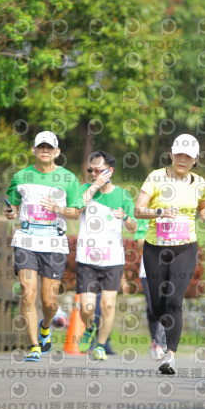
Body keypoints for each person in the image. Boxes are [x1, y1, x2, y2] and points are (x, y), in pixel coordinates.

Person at [135, 133, 205, 374]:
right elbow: (138, 210)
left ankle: (169, 354)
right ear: (171, 153)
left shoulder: (200, 183)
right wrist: (160, 211)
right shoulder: (156, 177)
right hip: (155, 248)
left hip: (185, 248)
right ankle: (162, 336)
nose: (182, 159)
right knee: (157, 305)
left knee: (174, 300)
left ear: (196, 159)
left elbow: (204, 209)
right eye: (178, 154)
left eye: (188, 156)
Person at [5, 131, 84, 362]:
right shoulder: (21, 176)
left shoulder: (68, 179)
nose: (45, 151)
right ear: (34, 150)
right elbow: (12, 206)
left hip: (54, 242)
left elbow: (76, 213)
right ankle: (34, 346)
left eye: (50, 148)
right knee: (28, 293)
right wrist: (10, 213)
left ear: (57, 152)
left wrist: (58, 209)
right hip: (26, 239)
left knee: (49, 302)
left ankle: (46, 326)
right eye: (41, 147)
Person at [76, 151, 138, 360]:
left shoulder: (122, 195)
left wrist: (126, 216)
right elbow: (76, 209)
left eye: (98, 170)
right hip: (86, 258)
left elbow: (133, 227)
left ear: (110, 171)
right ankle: (90, 327)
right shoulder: (85, 189)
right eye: (90, 170)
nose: (94, 174)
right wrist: (94, 186)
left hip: (112, 259)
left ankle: (101, 345)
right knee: (87, 307)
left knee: (108, 304)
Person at [135, 218, 167, 360]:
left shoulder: (176, 217)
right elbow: (140, 240)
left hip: (171, 269)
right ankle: (156, 340)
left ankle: (164, 340)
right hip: (148, 270)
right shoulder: (146, 216)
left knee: (168, 305)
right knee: (153, 307)